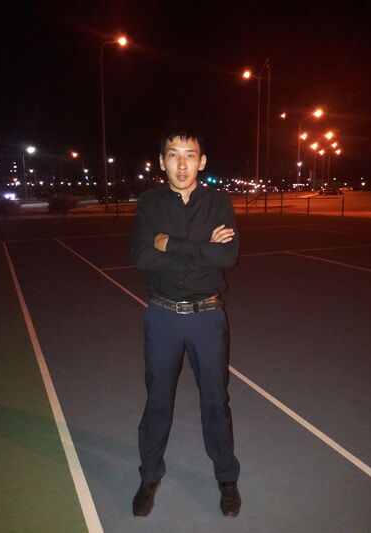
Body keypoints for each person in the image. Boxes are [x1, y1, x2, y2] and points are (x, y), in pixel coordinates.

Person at [130, 123, 241, 518]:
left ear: (201, 161)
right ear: (162, 161)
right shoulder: (149, 203)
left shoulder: (217, 202)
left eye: (189, 156)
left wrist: (170, 245)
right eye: (173, 155)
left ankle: (226, 477)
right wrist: (201, 249)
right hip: (162, 316)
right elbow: (142, 256)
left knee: (215, 400)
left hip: (207, 316)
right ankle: (149, 476)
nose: (181, 164)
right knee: (158, 400)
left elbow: (227, 256)